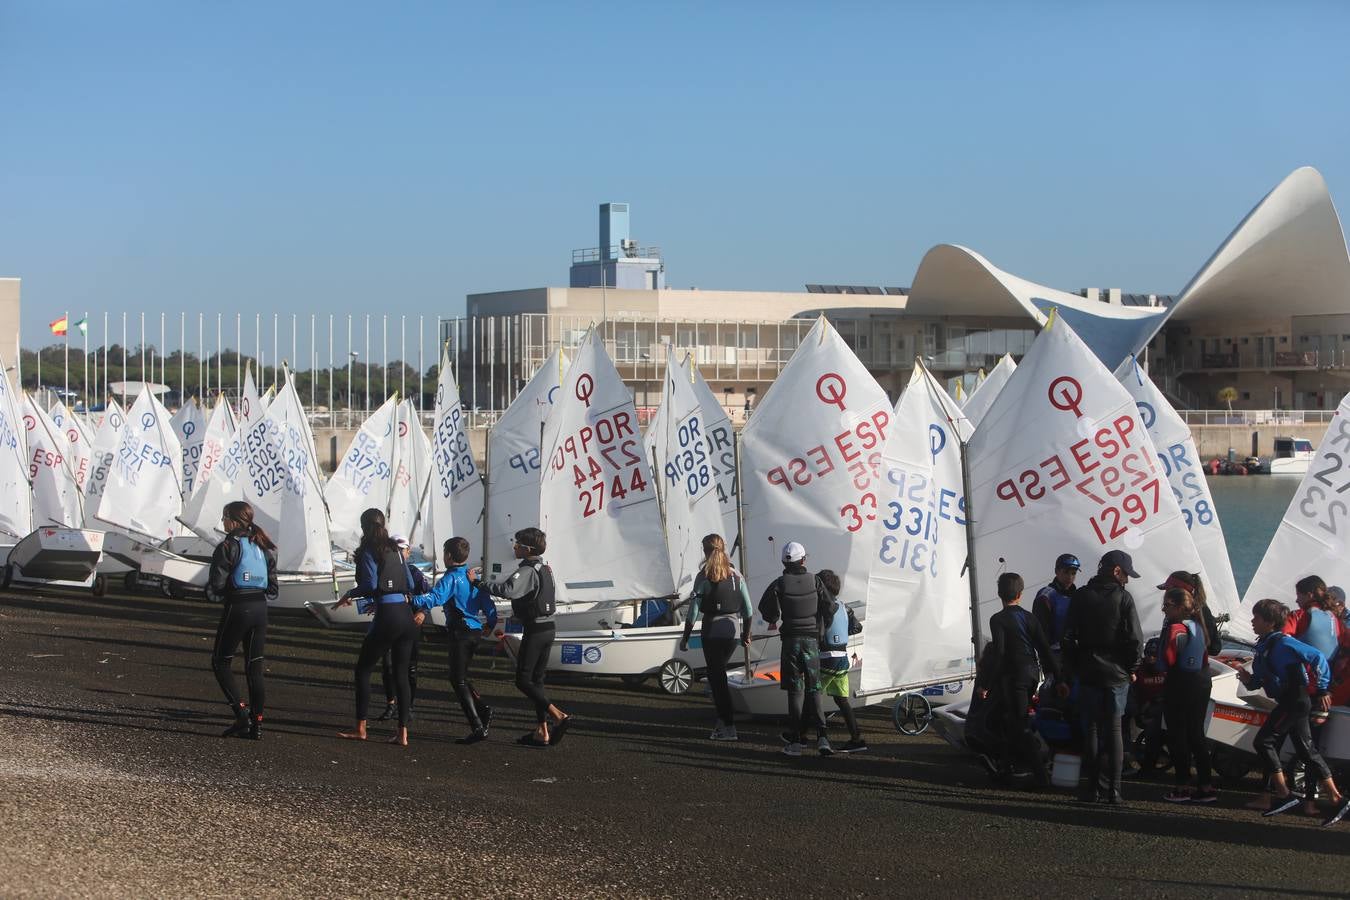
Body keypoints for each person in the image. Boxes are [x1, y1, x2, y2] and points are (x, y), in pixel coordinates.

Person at [1236, 598, 1349, 826]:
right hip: (1289, 701)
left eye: (1256, 617)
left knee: (1264, 742)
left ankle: (1284, 795)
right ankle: (1337, 799)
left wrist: (1323, 689)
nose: (1252, 620)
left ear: (1269, 622)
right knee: (1307, 751)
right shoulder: (1265, 645)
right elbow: (1262, 678)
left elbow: (1317, 657)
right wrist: (1249, 680)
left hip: (1295, 701)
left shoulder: (1283, 643)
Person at [471, 527, 571, 748]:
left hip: (536, 630)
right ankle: (542, 731)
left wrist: (477, 583)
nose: (514, 547)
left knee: (523, 681)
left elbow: (507, 590)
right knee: (537, 681)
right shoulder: (545, 567)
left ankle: (558, 715)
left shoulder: (527, 571)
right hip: (548, 628)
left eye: (517, 544)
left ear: (527, 549)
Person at [1062, 549, 1143, 806]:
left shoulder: (1081, 596)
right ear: (1116, 571)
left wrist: (1075, 666)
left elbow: (1067, 637)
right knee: (1115, 730)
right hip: (1116, 674)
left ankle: (1092, 790)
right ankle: (1114, 792)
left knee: (1092, 731)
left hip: (1088, 672)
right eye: (1126, 574)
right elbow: (1135, 640)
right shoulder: (1123, 598)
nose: (1127, 580)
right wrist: (1132, 667)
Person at [335, 509, 419, 747]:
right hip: (406, 615)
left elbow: (370, 584)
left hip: (387, 616)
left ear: (364, 527)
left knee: (363, 669)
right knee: (401, 674)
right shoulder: (396, 549)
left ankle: (361, 728)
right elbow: (411, 583)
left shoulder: (368, 550)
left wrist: (349, 594)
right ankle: (402, 734)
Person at [412, 536, 498, 743]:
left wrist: (410, 598)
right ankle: (483, 710)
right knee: (461, 676)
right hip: (475, 632)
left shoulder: (451, 578)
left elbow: (435, 598)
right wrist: (491, 624)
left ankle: (477, 725)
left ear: (448, 556)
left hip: (460, 633)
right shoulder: (471, 576)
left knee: (456, 679)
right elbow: (488, 604)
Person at [207, 500, 278, 741]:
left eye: (224, 517)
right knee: (254, 668)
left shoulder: (228, 545)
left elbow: (215, 587)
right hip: (260, 608)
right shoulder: (262, 546)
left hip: (238, 607)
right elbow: (273, 589)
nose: (222, 521)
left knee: (220, 662)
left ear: (233, 520)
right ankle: (257, 724)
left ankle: (241, 715)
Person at [758, 541, 837, 757]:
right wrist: (822, 628)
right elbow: (831, 607)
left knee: (795, 691)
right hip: (811, 641)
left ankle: (795, 742)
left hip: (791, 642)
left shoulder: (779, 583)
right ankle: (822, 738)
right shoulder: (816, 581)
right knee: (814, 689)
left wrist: (774, 618)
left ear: (784, 561)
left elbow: (765, 608)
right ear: (804, 560)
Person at [982, 573, 1061, 780]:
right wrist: (1059, 678)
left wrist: (986, 684)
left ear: (999, 594)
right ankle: (1006, 767)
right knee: (1012, 720)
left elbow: (999, 653)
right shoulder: (1029, 617)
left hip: (1013, 676)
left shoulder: (997, 619)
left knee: (1019, 723)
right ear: (1020, 594)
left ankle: (1040, 775)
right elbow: (1044, 649)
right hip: (1032, 674)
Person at [679, 534, 753, 742]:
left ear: (704, 551)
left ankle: (728, 726)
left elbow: (693, 612)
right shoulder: (736, 575)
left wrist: (685, 638)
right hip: (732, 632)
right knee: (717, 677)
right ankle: (724, 723)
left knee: (717, 679)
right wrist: (746, 634)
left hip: (711, 630)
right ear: (724, 547)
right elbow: (748, 610)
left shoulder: (703, 577)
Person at [1157, 587, 1216, 803]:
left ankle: (1182, 787)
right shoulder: (1199, 626)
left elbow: (1166, 661)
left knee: (1177, 736)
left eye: (1167, 606)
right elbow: (1204, 658)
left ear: (1180, 607)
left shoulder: (1176, 628)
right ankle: (1206, 787)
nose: (1163, 610)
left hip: (1180, 684)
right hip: (1201, 682)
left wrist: (1154, 664)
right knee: (1196, 735)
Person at [375, 534, 431, 723]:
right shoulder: (383, 569)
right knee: (388, 666)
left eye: (403, 550)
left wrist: (422, 612)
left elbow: (427, 596)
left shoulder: (415, 573)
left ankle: (408, 706)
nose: (399, 554)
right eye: (396, 550)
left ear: (408, 551)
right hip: (390, 622)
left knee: (411, 668)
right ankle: (391, 704)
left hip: (411, 623)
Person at [816, 569, 866, 753]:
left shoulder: (824, 607)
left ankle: (802, 736)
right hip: (842, 659)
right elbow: (857, 627)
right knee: (841, 700)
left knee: (812, 697)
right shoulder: (845, 606)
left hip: (826, 658)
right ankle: (857, 739)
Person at [1156, 571, 1223, 657]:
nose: (1165, 594)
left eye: (1168, 590)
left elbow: (1212, 648)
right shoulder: (1173, 610)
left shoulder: (1200, 612)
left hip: (1192, 664)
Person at [1032, 553, 1080, 663]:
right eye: (1066, 572)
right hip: (1054, 656)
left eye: (1074, 573)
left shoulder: (1078, 596)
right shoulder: (1045, 596)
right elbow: (1041, 633)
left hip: (1074, 655)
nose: (1070, 577)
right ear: (1056, 571)